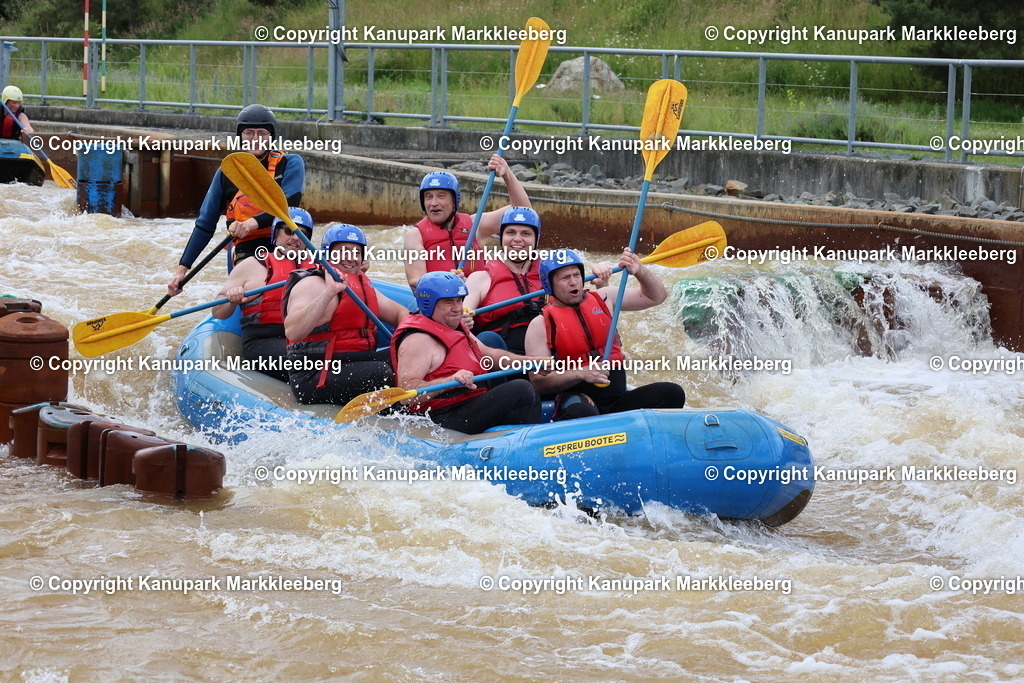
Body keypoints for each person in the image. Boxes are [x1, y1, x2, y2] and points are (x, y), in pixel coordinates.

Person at [524, 248, 687, 420]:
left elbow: (657, 297)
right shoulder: (539, 325)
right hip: (578, 400)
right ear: (550, 285)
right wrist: (581, 372)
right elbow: (539, 381)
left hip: (617, 401)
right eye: (565, 278)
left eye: (576, 275)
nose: (574, 282)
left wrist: (639, 271)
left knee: (671, 393)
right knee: (582, 412)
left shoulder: (604, 297)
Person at [167, 104, 304, 296]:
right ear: (240, 136)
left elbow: (290, 205)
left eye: (262, 133)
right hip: (248, 248)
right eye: (248, 132)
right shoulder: (227, 173)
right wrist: (182, 270)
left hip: (286, 242)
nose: (255, 139)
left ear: (271, 136)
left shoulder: (290, 163)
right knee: (257, 285)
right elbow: (205, 224)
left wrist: (250, 223)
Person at [391, 272, 550, 434]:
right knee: (521, 390)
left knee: (521, 389)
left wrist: (531, 362)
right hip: (439, 419)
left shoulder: (455, 325)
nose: (457, 308)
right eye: (449, 302)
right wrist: (450, 380)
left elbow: (489, 354)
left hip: (466, 403)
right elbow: (407, 395)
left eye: (459, 300)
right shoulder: (418, 340)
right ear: (428, 303)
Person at [283, 224, 409, 405]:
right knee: (379, 372)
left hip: (353, 360)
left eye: (356, 252)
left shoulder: (361, 282)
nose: (351, 257)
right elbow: (293, 331)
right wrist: (329, 292)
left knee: (409, 356)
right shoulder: (312, 283)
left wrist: (415, 340)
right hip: (315, 374)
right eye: (343, 251)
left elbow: (399, 313)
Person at [211, 207, 315, 382]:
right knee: (310, 362)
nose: (295, 238)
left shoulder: (318, 267)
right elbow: (217, 312)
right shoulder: (252, 265)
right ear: (275, 232)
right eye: (289, 231)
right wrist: (231, 300)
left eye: (302, 234)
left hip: (306, 339)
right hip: (263, 340)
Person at [402, 154, 531, 289]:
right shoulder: (415, 235)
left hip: (478, 300)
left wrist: (507, 175)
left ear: (454, 200)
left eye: (441, 196)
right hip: (442, 304)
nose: (434, 203)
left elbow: (524, 211)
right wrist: (449, 281)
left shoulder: (474, 225)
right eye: (428, 197)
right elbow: (416, 280)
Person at [463, 206, 544, 355]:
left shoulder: (551, 275)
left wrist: (601, 282)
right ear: (502, 238)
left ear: (536, 239)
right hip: (502, 361)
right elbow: (461, 315)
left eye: (525, 233)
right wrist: (463, 318)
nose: (517, 239)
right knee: (487, 338)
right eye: (510, 232)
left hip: (547, 356)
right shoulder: (480, 278)